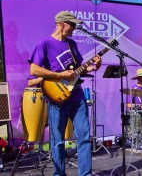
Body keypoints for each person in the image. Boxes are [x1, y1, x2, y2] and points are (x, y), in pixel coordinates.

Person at [28, 11, 101, 176]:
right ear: (61, 24)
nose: (74, 28)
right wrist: (60, 75)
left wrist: (94, 66)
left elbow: (78, 70)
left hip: (77, 95)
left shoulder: (72, 44)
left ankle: (85, 174)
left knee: (83, 137)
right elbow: (33, 69)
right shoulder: (44, 43)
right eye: (72, 24)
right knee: (58, 141)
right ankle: (59, 174)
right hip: (57, 98)